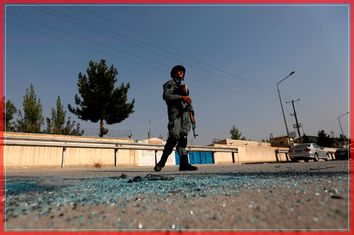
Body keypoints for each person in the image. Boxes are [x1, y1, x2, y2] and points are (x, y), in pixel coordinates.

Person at [154, 65, 198, 172]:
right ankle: (161, 162)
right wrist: (181, 97)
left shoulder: (184, 87)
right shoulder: (170, 83)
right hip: (175, 115)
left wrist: (192, 113)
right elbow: (166, 96)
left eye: (182, 72)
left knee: (183, 137)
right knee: (174, 137)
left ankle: (184, 164)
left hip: (185, 114)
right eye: (179, 71)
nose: (181, 73)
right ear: (174, 73)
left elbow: (187, 102)